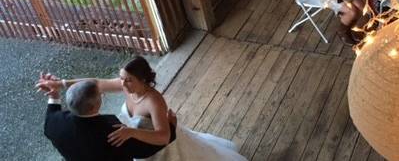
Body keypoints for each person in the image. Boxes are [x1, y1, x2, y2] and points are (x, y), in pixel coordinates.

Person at [37, 56, 248, 161]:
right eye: (121, 78)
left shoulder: (154, 101)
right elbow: (94, 83)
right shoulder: (124, 86)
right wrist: (62, 84)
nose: (122, 84)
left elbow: (164, 137)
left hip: (161, 149)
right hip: (136, 146)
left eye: (128, 80)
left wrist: (131, 132)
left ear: (144, 79)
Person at [40, 74, 168, 161]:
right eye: (100, 94)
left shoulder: (53, 123)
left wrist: (55, 94)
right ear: (96, 104)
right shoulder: (111, 131)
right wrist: (171, 130)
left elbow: (52, 110)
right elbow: (143, 150)